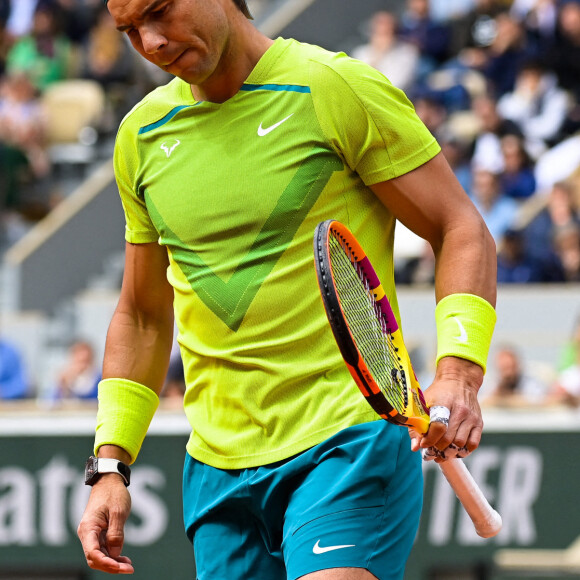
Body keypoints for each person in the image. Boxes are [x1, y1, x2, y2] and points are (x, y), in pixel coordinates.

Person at [76, 1, 498, 579]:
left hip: (345, 441)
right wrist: (110, 462)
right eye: (128, 30)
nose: (150, 42)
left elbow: (460, 228)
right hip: (217, 470)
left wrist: (459, 371)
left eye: (160, 11)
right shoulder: (140, 137)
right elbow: (144, 315)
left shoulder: (333, 88)